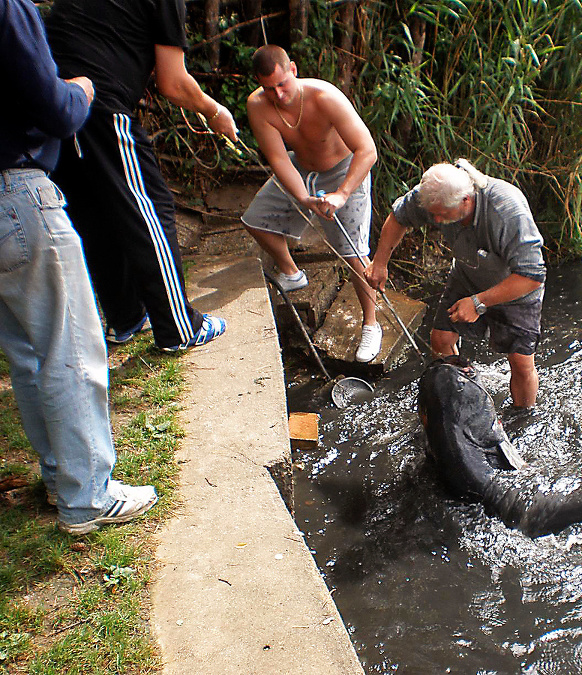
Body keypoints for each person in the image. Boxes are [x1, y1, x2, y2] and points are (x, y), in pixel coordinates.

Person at [1, 0, 157, 534]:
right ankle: (88, 493)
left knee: (26, 350)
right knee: (70, 344)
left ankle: (58, 474)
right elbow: (53, 107)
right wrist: (82, 91)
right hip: (17, 192)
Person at [45, 0, 238, 352]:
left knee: (94, 213)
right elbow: (173, 83)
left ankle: (127, 317)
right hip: (101, 105)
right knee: (151, 207)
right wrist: (215, 110)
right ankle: (180, 328)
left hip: (56, 108)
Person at [365, 159, 545, 408]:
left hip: (516, 287)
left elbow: (532, 276)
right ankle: (461, 404)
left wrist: (478, 302)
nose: (436, 219)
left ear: (466, 200)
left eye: (443, 214)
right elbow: (399, 218)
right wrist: (380, 263)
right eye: (433, 213)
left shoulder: (506, 211)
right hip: (468, 273)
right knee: (440, 339)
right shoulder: (435, 195)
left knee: (521, 361)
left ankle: (523, 415)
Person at [241, 45, 382, 363]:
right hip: (301, 169)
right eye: (268, 88)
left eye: (282, 84)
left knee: (353, 255)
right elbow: (278, 158)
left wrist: (342, 194)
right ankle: (291, 272)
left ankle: (371, 324)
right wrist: (304, 198)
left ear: (292, 69)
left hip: (346, 172)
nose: (278, 94)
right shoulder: (258, 105)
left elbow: (367, 150)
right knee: (255, 219)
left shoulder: (324, 96)